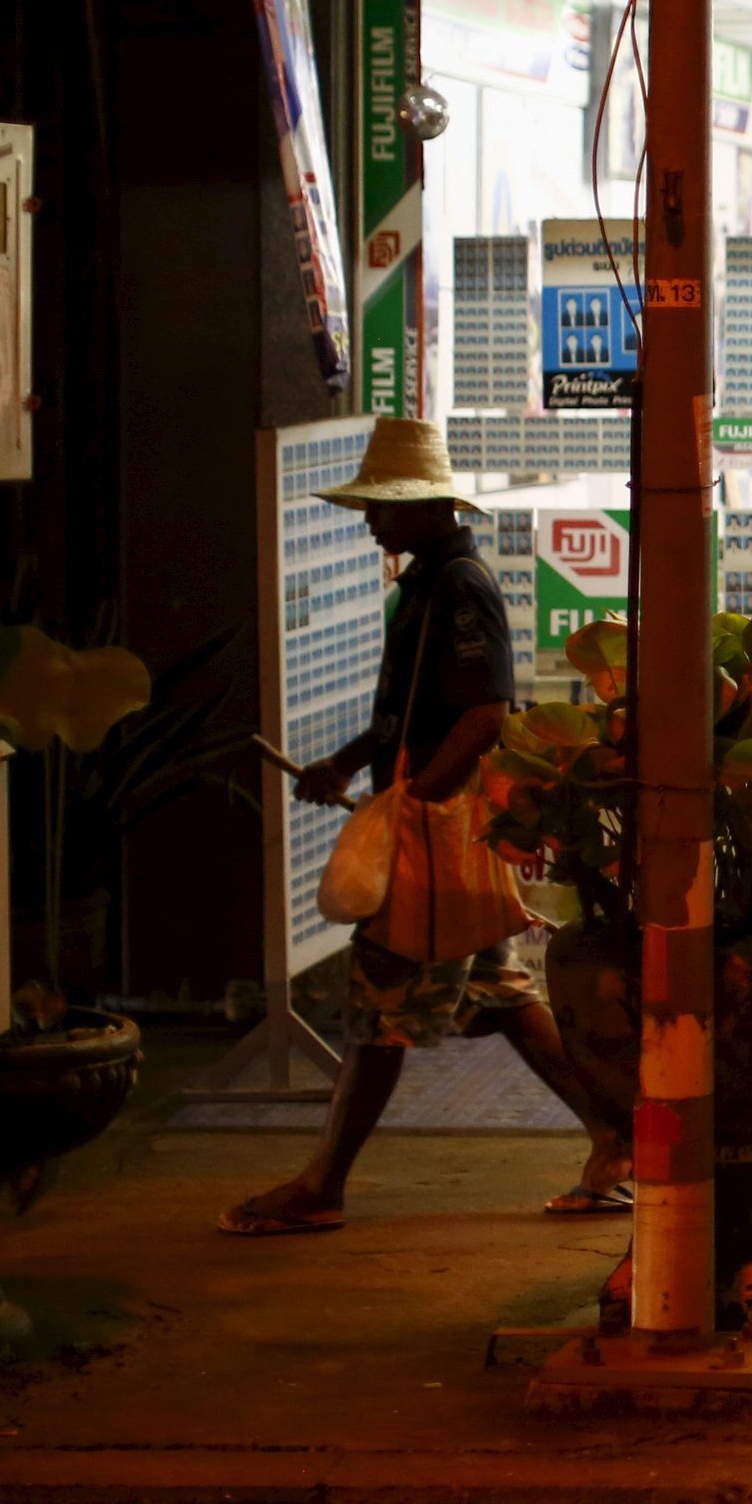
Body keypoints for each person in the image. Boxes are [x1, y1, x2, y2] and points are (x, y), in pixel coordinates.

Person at [219, 420, 628, 1235]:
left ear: (430, 506)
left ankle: (324, 1183)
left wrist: (414, 801)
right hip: (449, 831)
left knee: (379, 1001)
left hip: (437, 834)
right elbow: (411, 710)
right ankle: (617, 1140)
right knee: (499, 991)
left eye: (386, 505)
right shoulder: (426, 581)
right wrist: (343, 763)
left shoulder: (457, 586)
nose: (372, 520)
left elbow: (481, 715)